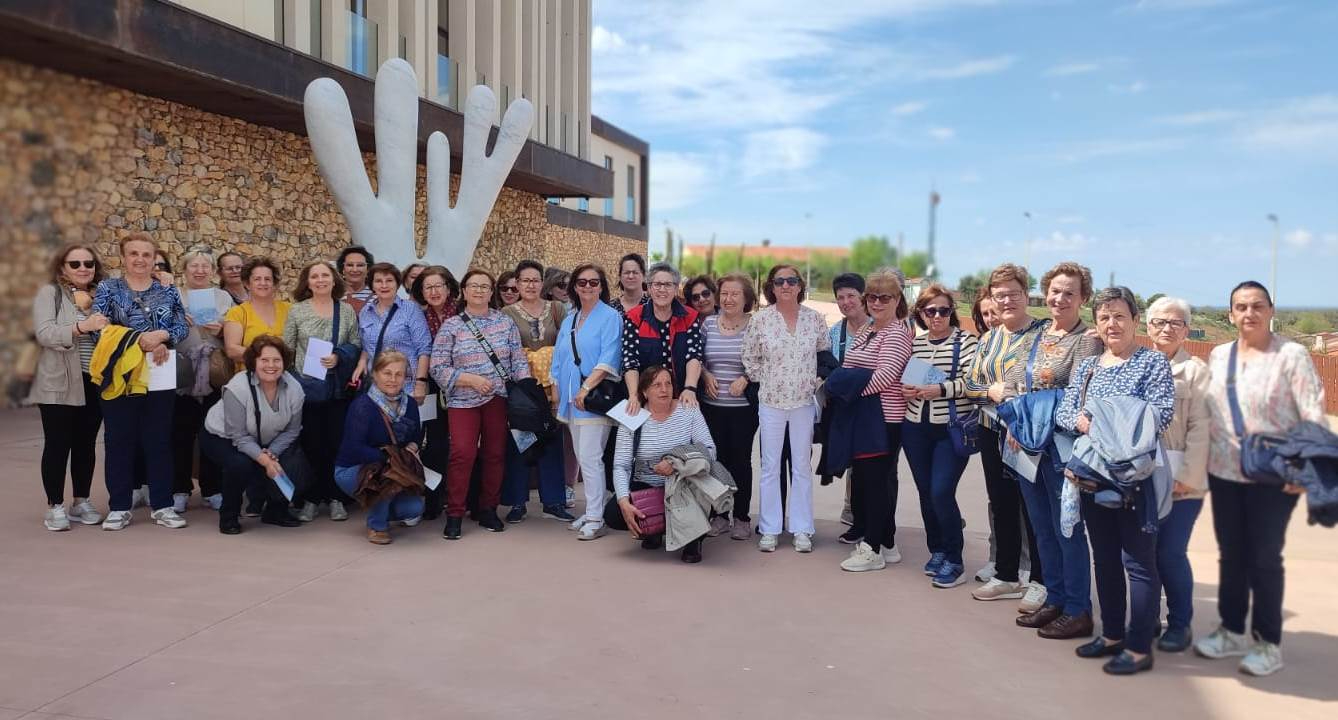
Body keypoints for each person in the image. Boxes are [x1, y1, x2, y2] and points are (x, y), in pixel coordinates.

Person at [1194, 281, 1327, 677]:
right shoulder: (1220, 355)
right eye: (1241, 307)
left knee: (1265, 557)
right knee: (1231, 553)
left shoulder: (1291, 355)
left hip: (1274, 474)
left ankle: (1268, 642)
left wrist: (1306, 469)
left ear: (1271, 310)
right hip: (1224, 470)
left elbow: (1312, 412)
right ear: (1230, 314)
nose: (1249, 313)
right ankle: (1231, 629)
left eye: (1257, 306)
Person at [1057, 287, 1175, 675]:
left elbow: (1160, 414)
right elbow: (1066, 412)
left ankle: (1139, 646)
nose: (1112, 324)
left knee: (1138, 562)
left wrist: (1101, 421)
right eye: (1105, 317)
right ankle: (1111, 635)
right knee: (1105, 558)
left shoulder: (1152, 363)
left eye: (1120, 316)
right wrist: (1093, 421)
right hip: (1094, 477)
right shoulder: (1089, 367)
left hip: (1135, 479)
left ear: (1135, 321)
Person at [1003, 261, 1102, 640]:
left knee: (1067, 529)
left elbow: (1077, 394)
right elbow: (1014, 379)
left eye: (1069, 293)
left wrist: (1029, 414)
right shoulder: (1038, 333)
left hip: (1061, 447)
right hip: (1028, 444)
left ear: (1083, 298)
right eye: (1055, 291)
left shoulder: (1087, 340)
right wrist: (1016, 421)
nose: (1060, 298)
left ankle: (1078, 609)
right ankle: (1056, 599)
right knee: (1042, 527)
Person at [91, 232, 189, 530]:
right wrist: (141, 341)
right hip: (120, 375)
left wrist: (163, 336)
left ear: (153, 259)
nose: (140, 259)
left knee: (159, 440)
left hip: (159, 373)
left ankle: (163, 505)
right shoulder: (108, 288)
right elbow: (98, 328)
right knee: (119, 440)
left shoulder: (167, 290)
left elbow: (181, 324)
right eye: (134, 253)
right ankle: (119, 507)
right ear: (123, 257)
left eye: (146, 254)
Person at [966, 264, 1047, 607]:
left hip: (1026, 434)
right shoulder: (989, 338)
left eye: (1014, 293)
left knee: (1034, 509)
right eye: (1000, 295)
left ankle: (1041, 579)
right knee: (1002, 504)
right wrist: (991, 392)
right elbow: (971, 384)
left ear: (1026, 295)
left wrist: (1010, 397)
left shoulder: (1043, 334)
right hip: (991, 430)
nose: (1007, 301)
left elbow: (1043, 383)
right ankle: (1007, 574)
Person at [431, 269, 531, 539]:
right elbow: (437, 366)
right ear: (464, 291)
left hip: (497, 399)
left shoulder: (504, 322)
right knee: (462, 454)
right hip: (462, 402)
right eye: (473, 286)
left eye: (484, 286)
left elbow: (518, 360)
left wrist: (526, 390)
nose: (478, 290)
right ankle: (455, 513)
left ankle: (488, 508)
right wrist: (469, 380)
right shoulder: (451, 326)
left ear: (491, 292)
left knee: (495, 454)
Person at [742, 264, 831, 553]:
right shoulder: (761, 320)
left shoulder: (814, 319)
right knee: (770, 466)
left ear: (800, 285)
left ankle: (802, 528)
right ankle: (769, 528)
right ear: (772, 286)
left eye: (791, 280)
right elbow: (750, 358)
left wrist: (814, 380)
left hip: (804, 402)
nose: (786, 286)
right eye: (779, 281)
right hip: (771, 401)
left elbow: (824, 353)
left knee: (802, 466)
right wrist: (768, 379)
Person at [900, 283, 979, 587]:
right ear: (920, 313)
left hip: (950, 428)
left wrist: (940, 389)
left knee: (941, 492)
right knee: (925, 492)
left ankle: (955, 559)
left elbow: (972, 384)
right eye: (930, 310)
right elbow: (911, 380)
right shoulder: (917, 343)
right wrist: (909, 390)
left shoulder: (966, 341)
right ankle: (938, 549)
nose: (937, 316)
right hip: (915, 426)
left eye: (943, 310)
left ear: (951, 312)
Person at [835, 269, 913, 572]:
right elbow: (848, 364)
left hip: (884, 419)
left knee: (877, 484)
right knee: (867, 482)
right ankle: (887, 542)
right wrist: (852, 380)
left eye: (885, 297)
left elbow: (885, 376)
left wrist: (849, 390)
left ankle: (873, 548)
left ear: (897, 300)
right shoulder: (869, 328)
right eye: (872, 297)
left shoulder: (896, 333)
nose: (877, 303)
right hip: (864, 416)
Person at [1146, 296, 1211, 653]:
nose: (1167, 329)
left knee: (1170, 552)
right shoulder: (1138, 364)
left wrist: (1187, 476)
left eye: (1175, 323)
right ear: (1148, 326)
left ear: (1186, 330)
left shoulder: (1197, 372)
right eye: (1159, 322)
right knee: (1143, 552)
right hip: (1143, 475)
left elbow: (1203, 427)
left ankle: (1180, 623)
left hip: (1182, 478)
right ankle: (1146, 618)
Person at [609, 366, 721, 563]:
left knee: (703, 494)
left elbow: (710, 450)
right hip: (648, 486)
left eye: (668, 383)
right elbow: (621, 466)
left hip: (684, 486)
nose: (664, 389)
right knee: (613, 513)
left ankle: (694, 540)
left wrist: (675, 463)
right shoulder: (632, 415)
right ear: (644, 392)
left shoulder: (688, 409)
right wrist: (623, 501)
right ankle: (654, 529)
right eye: (657, 385)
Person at [32, 244, 108, 530]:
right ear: (62, 267)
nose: (83, 268)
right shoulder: (49, 293)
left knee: (86, 444)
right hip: (59, 382)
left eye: (88, 263)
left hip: (94, 380)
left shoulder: (102, 295)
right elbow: (44, 333)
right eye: (75, 264)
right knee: (57, 444)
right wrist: (80, 327)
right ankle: (55, 505)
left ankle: (81, 500)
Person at [200, 336, 310, 534]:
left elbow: (292, 430)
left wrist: (272, 452)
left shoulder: (294, 388)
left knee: (294, 461)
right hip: (223, 437)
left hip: (270, 438)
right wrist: (265, 461)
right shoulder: (237, 387)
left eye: (276, 360)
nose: (271, 366)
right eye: (264, 360)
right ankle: (229, 516)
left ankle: (276, 511)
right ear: (253, 362)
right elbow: (239, 436)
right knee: (239, 463)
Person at [283, 260, 361, 523]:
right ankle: (312, 498)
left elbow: (356, 343)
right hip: (308, 389)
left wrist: (339, 356)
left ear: (334, 279)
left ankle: (336, 497)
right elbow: (287, 348)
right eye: (314, 276)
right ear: (307, 282)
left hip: (337, 389)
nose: (320, 280)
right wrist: (294, 380)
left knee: (336, 442)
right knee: (311, 444)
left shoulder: (346, 310)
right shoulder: (297, 311)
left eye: (325, 275)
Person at [550, 263, 623, 541]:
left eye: (594, 282)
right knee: (582, 457)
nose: (588, 287)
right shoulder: (570, 318)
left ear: (602, 286)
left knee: (591, 458)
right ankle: (594, 510)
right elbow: (559, 356)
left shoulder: (610, 317)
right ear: (574, 287)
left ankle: (595, 517)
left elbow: (609, 356)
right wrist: (556, 390)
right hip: (571, 398)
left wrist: (585, 388)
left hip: (592, 399)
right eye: (582, 282)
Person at [500, 260, 571, 522]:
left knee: (552, 440)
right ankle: (517, 503)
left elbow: (566, 344)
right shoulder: (506, 313)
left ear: (543, 283)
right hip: (523, 386)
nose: (530, 285)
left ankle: (553, 501)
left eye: (535, 280)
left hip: (553, 386)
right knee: (520, 440)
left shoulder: (557, 308)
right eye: (525, 281)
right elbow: (506, 348)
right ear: (517, 283)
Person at [334, 350, 426, 545]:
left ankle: (379, 506)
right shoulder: (362, 406)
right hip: (352, 470)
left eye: (399, 374)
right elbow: (354, 448)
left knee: (415, 507)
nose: (393, 379)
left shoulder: (410, 404)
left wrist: (412, 447)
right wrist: (390, 458)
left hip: (393, 467)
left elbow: (417, 435)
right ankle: (377, 526)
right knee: (385, 478)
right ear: (375, 374)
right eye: (387, 373)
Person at [171, 248, 232, 512]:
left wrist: (222, 328)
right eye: (194, 266)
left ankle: (212, 488)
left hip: (214, 373)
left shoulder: (222, 297)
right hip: (182, 371)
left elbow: (234, 329)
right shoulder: (173, 295)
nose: (199, 270)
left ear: (213, 271)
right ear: (184, 270)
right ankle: (180, 489)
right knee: (180, 433)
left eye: (205, 266)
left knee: (212, 431)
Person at [700, 273, 759, 540]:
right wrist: (705, 375)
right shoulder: (708, 324)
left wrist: (746, 378)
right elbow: (697, 357)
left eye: (735, 294)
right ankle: (720, 516)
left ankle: (742, 517)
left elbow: (765, 360)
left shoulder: (755, 325)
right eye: (724, 293)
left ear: (746, 298)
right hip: (712, 406)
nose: (728, 299)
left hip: (743, 408)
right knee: (716, 461)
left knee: (740, 461)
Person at [621, 262, 704, 411]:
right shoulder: (634, 318)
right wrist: (634, 395)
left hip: (683, 396)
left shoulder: (690, 316)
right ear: (649, 288)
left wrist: (690, 388)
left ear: (676, 289)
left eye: (668, 285)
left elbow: (694, 355)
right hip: (646, 399)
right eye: (657, 284)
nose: (662, 289)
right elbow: (630, 360)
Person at [412, 265, 459, 520]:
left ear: (448, 287)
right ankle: (433, 498)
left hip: (462, 386)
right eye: (427, 287)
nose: (433, 291)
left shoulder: (463, 313)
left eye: (438, 285)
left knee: (463, 444)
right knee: (434, 444)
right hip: (430, 388)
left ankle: (463, 497)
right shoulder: (419, 318)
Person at [829, 272, 871, 535]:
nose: (846, 302)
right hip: (846, 409)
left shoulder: (881, 327)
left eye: (851, 296)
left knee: (874, 468)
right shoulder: (835, 332)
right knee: (853, 463)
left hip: (877, 409)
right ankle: (855, 516)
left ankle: (873, 523)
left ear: (863, 297)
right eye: (840, 297)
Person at [354, 263, 431, 403]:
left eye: (389, 280)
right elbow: (366, 346)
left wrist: (420, 383)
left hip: (406, 386)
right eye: (378, 281)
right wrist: (362, 361)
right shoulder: (366, 312)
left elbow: (424, 348)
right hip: (375, 387)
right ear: (372, 285)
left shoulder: (410, 309)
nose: (384, 285)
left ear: (397, 283)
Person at [222, 257, 291, 372]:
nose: (263, 283)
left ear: (274, 284)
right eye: (257, 279)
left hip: (286, 373)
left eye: (267, 279)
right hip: (250, 375)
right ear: (247, 284)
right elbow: (232, 350)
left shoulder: (289, 309)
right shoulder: (237, 313)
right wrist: (268, 359)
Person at [338, 246, 374, 313]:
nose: (355, 270)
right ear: (343, 269)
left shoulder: (378, 295)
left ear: (368, 270)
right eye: (350, 265)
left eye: (360, 265)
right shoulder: (334, 294)